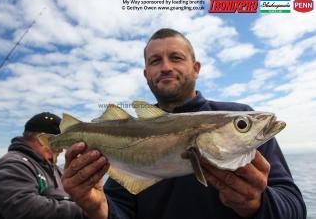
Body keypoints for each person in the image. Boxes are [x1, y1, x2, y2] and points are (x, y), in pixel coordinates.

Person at [61, 28, 307, 219]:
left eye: (176, 57)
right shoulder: (130, 135)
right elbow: (121, 209)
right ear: (146, 74)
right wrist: (98, 209)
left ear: (196, 67)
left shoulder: (240, 115)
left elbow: (294, 207)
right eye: (155, 61)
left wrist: (258, 204)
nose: (166, 67)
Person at [0, 112, 87, 219]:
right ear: (43, 140)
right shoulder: (12, 164)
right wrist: (87, 211)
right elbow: (21, 208)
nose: (61, 150)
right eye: (60, 143)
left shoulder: (55, 169)